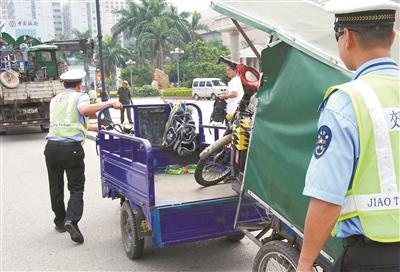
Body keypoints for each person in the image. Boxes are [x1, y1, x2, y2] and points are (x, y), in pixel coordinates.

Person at [297, 0, 399, 271]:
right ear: (392, 36)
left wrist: (306, 262)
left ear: (348, 37)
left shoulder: (347, 102)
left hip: (372, 258)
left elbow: (328, 197)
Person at [44, 69, 122, 244]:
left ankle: (59, 222)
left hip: (51, 148)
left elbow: (69, 123)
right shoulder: (80, 96)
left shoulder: (55, 100)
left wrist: (95, 128)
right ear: (79, 84)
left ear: (64, 84)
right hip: (71, 149)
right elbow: (85, 110)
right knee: (76, 187)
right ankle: (71, 221)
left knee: (55, 185)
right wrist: (109, 103)